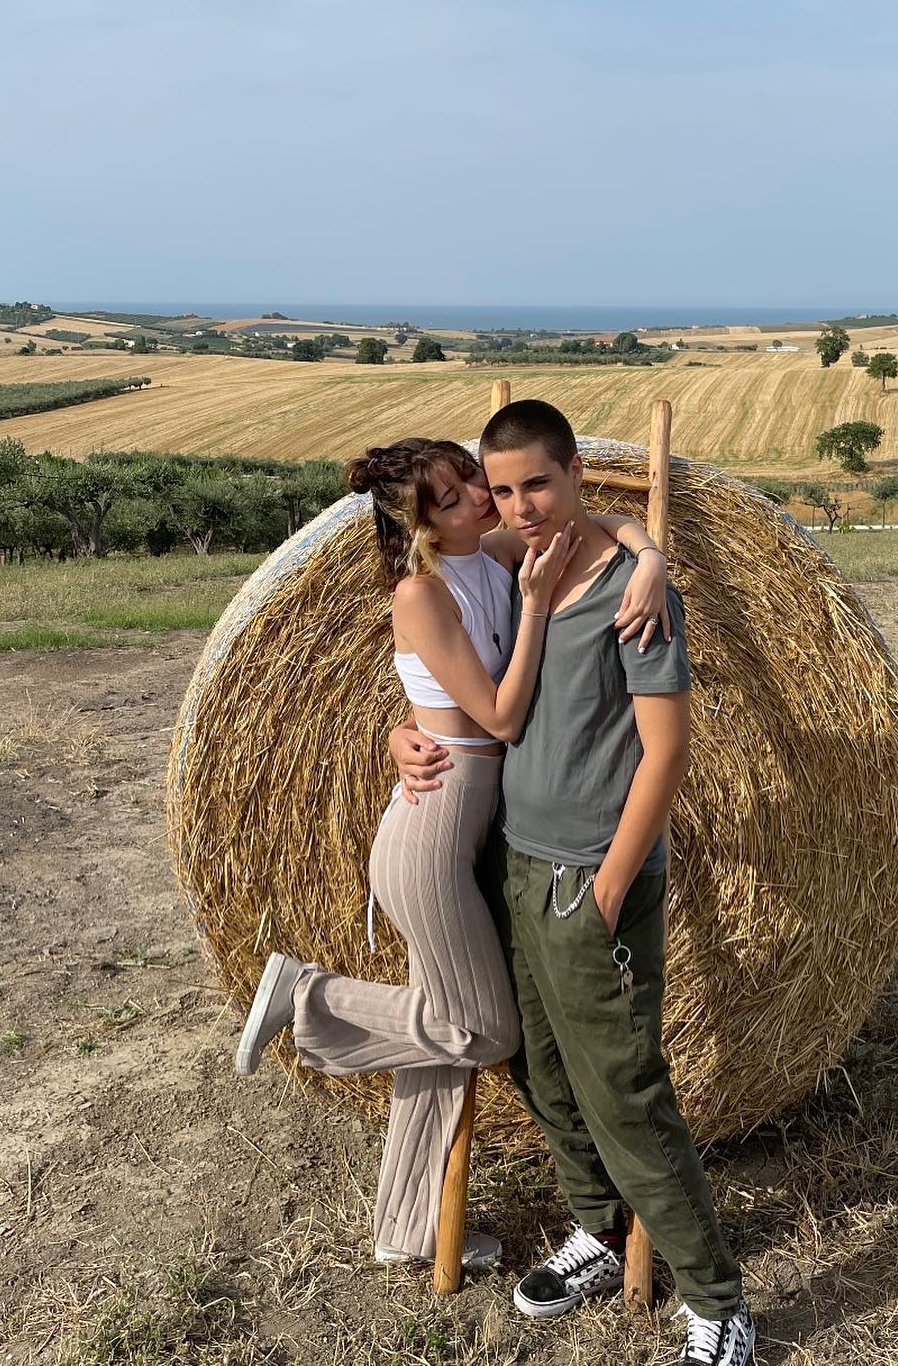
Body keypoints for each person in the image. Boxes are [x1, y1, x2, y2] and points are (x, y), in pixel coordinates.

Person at [233, 435, 671, 1270]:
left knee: (439, 1040)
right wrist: (535, 608)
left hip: (473, 819)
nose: (478, 496)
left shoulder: (494, 554)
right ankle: (308, 995)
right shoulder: (422, 594)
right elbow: (500, 718)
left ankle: (405, 1228)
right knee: (484, 1028)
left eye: (471, 477)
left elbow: (596, 521)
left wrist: (648, 557)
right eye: (450, 496)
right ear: (422, 526)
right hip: (432, 834)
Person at [391, 400, 754, 1366]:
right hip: (513, 861)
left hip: (591, 875)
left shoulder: (634, 597)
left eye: (538, 485)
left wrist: (609, 888)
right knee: (541, 1071)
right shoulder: (517, 564)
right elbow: (437, 661)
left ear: (577, 472)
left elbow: (667, 752)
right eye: (501, 490)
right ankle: (597, 1226)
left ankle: (719, 1302)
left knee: (626, 1092)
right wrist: (397, 733)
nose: (519, 506)